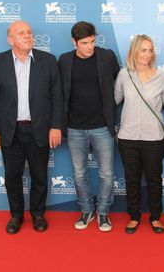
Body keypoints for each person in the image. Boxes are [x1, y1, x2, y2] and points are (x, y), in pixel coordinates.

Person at [0, 20, 63, 234]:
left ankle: (38, 214)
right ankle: (16, 216)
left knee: (39, 176)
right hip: (10, 131)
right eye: (21, 33)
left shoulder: (48, 60)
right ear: (10, 40)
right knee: (12, 177)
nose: (27, 35)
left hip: (40, 130)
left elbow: (57, 97)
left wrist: (56, 126)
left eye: (29, 32)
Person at [58, 21, 120, 232]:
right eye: (84, 43)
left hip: (102, 126)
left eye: (93, 41)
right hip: (74, 128)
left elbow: (120, 83)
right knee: (79, 173)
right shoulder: (64, 60)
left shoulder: (107, 57)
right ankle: (86, 210)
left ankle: (103, 212)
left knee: (106, 173)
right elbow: (59, 94)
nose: (90, 47)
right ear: (74, 42)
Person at [114, 35, 164, 234]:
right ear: (134, 51)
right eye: (143, 50)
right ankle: (134, 216)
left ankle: (156, 217)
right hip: (127, 136)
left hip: (153, 138)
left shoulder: (161, 76)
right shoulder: (124, 75)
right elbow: (115, 100)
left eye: (149, 50)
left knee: (154, 179)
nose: (147, 54)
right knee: (131, 179)